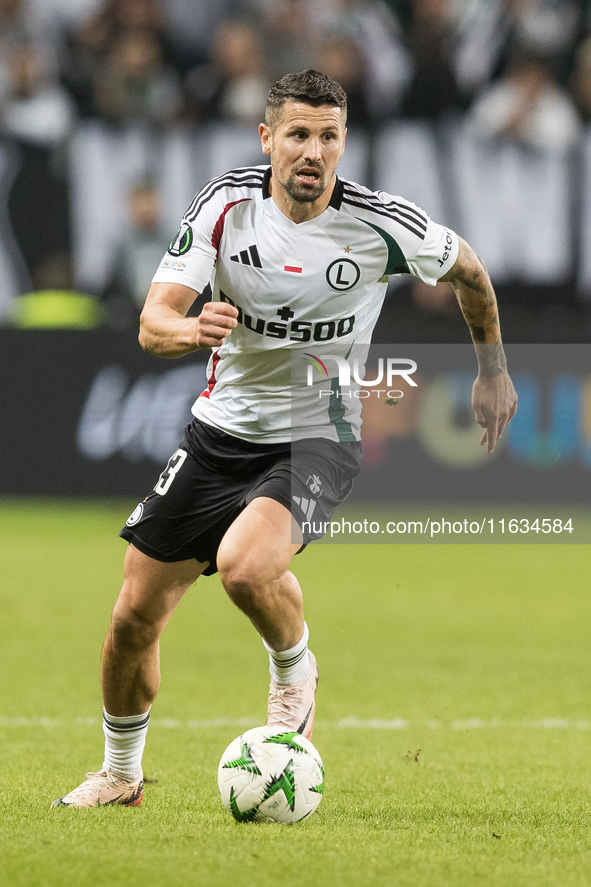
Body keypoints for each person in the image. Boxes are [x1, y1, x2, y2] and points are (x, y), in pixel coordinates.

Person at [51, 69, 517, 808]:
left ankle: (293, 668)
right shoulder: (225, 206)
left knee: (243, 565)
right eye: (297, 134)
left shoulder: (380, 223)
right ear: (267, 138)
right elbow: (152, 321)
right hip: (218, 434)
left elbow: (470, 273)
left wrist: (491, 371)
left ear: (342, 143)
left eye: (328, 136)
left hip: (316, 438)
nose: (312, 151)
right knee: (132, 616)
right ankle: (120, 773)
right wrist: (189, 328)